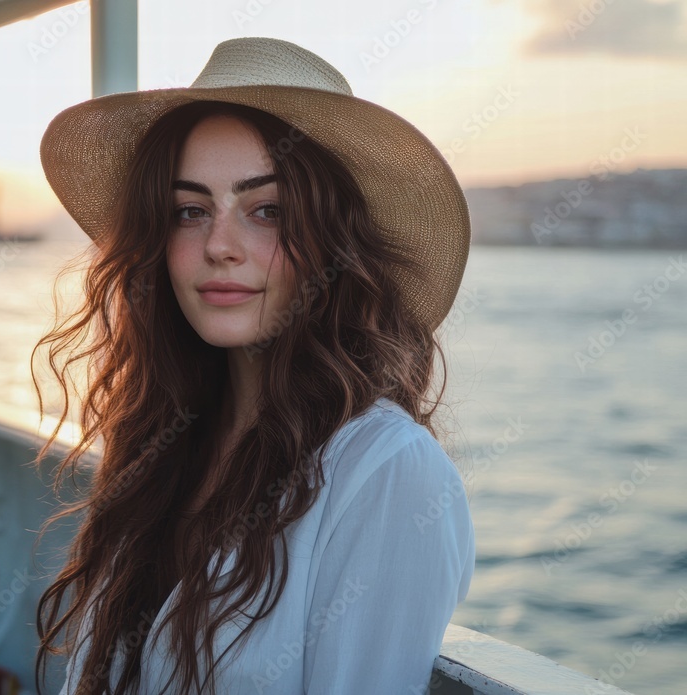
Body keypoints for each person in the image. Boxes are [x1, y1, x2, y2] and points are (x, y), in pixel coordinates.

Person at [30, 36, 475, 695]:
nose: (219, 246)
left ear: (334, 244)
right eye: (190, 211)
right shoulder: (166, 441)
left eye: (267, 210)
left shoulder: (385, 473)